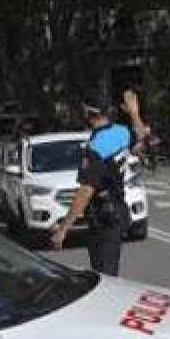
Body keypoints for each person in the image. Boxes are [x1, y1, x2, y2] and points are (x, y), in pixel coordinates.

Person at [49, 98, 135, 276]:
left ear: (90, 114)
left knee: (105, 276)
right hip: (118, 210)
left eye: (84, 111)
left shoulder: (95, 148)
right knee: (109, 270)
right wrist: (134, 113)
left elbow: (86, 192)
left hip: (104, 217)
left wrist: (63, 229)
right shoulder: (121, 132)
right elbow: (142, 135)